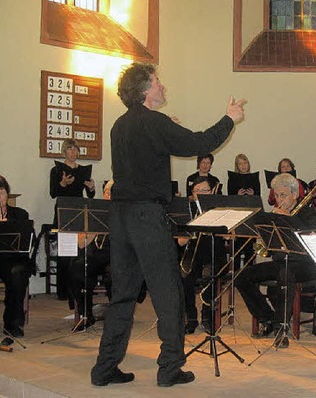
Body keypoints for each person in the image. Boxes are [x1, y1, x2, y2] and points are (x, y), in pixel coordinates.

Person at [90, 62, 245, 387]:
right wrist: (230, 118)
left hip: (119, 218)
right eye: (157, 81)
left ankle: (104, 369)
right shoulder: (155, 122)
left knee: (123, 296)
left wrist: (165, 128)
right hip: (147, 217)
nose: (162, 85)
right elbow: (198, 143)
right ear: (146, 90)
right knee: (169, 294)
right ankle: (170, 368)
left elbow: (148, 151)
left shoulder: (120, 125)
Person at [235, 173, 316, 348]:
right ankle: (268, 318)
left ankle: (282, 329)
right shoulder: (274, 213)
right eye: (277, 195)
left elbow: (308, 240)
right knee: (241, 276)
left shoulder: (309, 213)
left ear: (295, 194)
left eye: (283, 195)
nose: (279, 200)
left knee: (285, 274)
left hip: (305, 265)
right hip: (281, 261)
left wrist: (288, 219)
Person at [0, 174, 34, 339]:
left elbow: (28, 239)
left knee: (18, 276)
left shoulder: (20, 214)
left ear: (7, 195)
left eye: (1, 193)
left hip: (12, 260)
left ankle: (13, 324)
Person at [49, 139, 96, 304]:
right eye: (69, 149)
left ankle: (78, 286)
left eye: (75, 149)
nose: (73, 152)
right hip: (63, 210)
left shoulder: (83, 170)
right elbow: (53, 193)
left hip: (78, 209)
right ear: (64, 152)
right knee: (65, 251)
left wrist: (91, 188)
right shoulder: (56, 170)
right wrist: (63, 183)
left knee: (79, 248)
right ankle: (64, 291)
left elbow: (90, 195)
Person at [178, 176, 227, 334]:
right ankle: (191, 318)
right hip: (193, 254)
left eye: (204, 190)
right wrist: (189, 231)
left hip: (214, 254)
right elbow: (180, 242)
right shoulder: (187, 209)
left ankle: (207, 317)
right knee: (184, 276)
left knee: (209, 276)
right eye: (196, 191)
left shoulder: (219, 209)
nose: (201, 194)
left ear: (212, 191)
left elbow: (228, 236)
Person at [68, 180, 114, 331]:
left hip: (115, 257)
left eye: (112, 192)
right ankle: (86, 315)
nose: (109, 195)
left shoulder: (125, 213)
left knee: (115, 274)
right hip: (94, 256)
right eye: (106, 192)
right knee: (77, 268)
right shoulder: (93, 212)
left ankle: (117, 318)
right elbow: (80, 244)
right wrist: (94, 229)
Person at [227, 153, 259, 270]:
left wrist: (252, 195)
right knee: (237, 248)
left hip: (250, 216)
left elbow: (258, 198)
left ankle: (249, 273)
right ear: (237, 166)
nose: (243, 165)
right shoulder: (232, 179)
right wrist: (237, 195)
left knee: (250, 248)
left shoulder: (254, 178)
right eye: (240, 163)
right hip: (237, 217)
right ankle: (235, 274)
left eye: (245, 162)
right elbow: (229, 199)